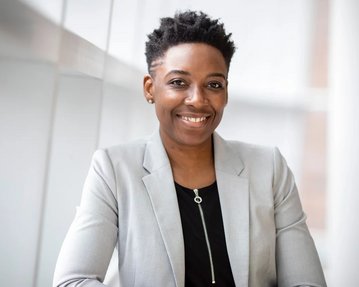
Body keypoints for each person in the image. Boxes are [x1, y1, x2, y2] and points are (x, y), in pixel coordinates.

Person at [53, 11, 327, 287]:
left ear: (226, 92)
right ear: (150, 89)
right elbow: (73, 281)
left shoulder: (269, 169)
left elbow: (307, 283)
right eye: (178, 83)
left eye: (213, 85)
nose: (197, 100)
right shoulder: (114, 169)